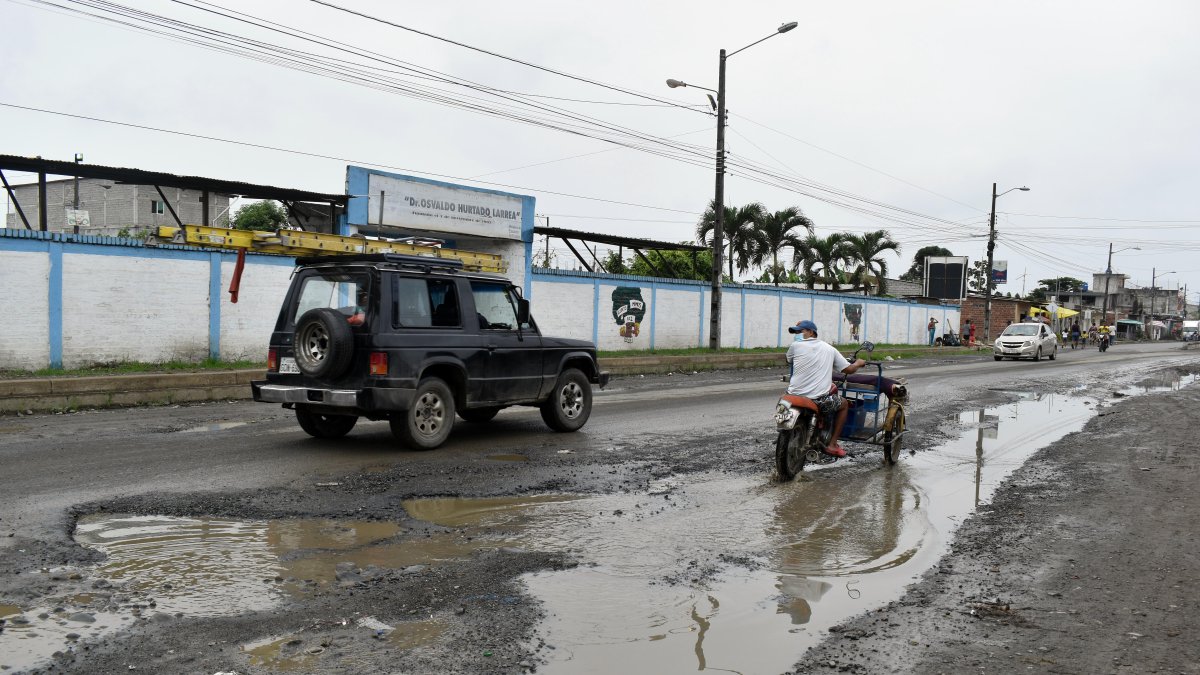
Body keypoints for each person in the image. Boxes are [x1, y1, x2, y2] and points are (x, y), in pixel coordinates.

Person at [785, 320, 867, 457]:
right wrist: (858, 363)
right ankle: (832, 444)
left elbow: (789, 360)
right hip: (819, 400)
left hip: (792, 396)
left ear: (811, 332)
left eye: (800, 331)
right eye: (796, 332)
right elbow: (848, 369)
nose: (797, 335)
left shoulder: (795, 346)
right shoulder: (830, 349)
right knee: (844, 404)